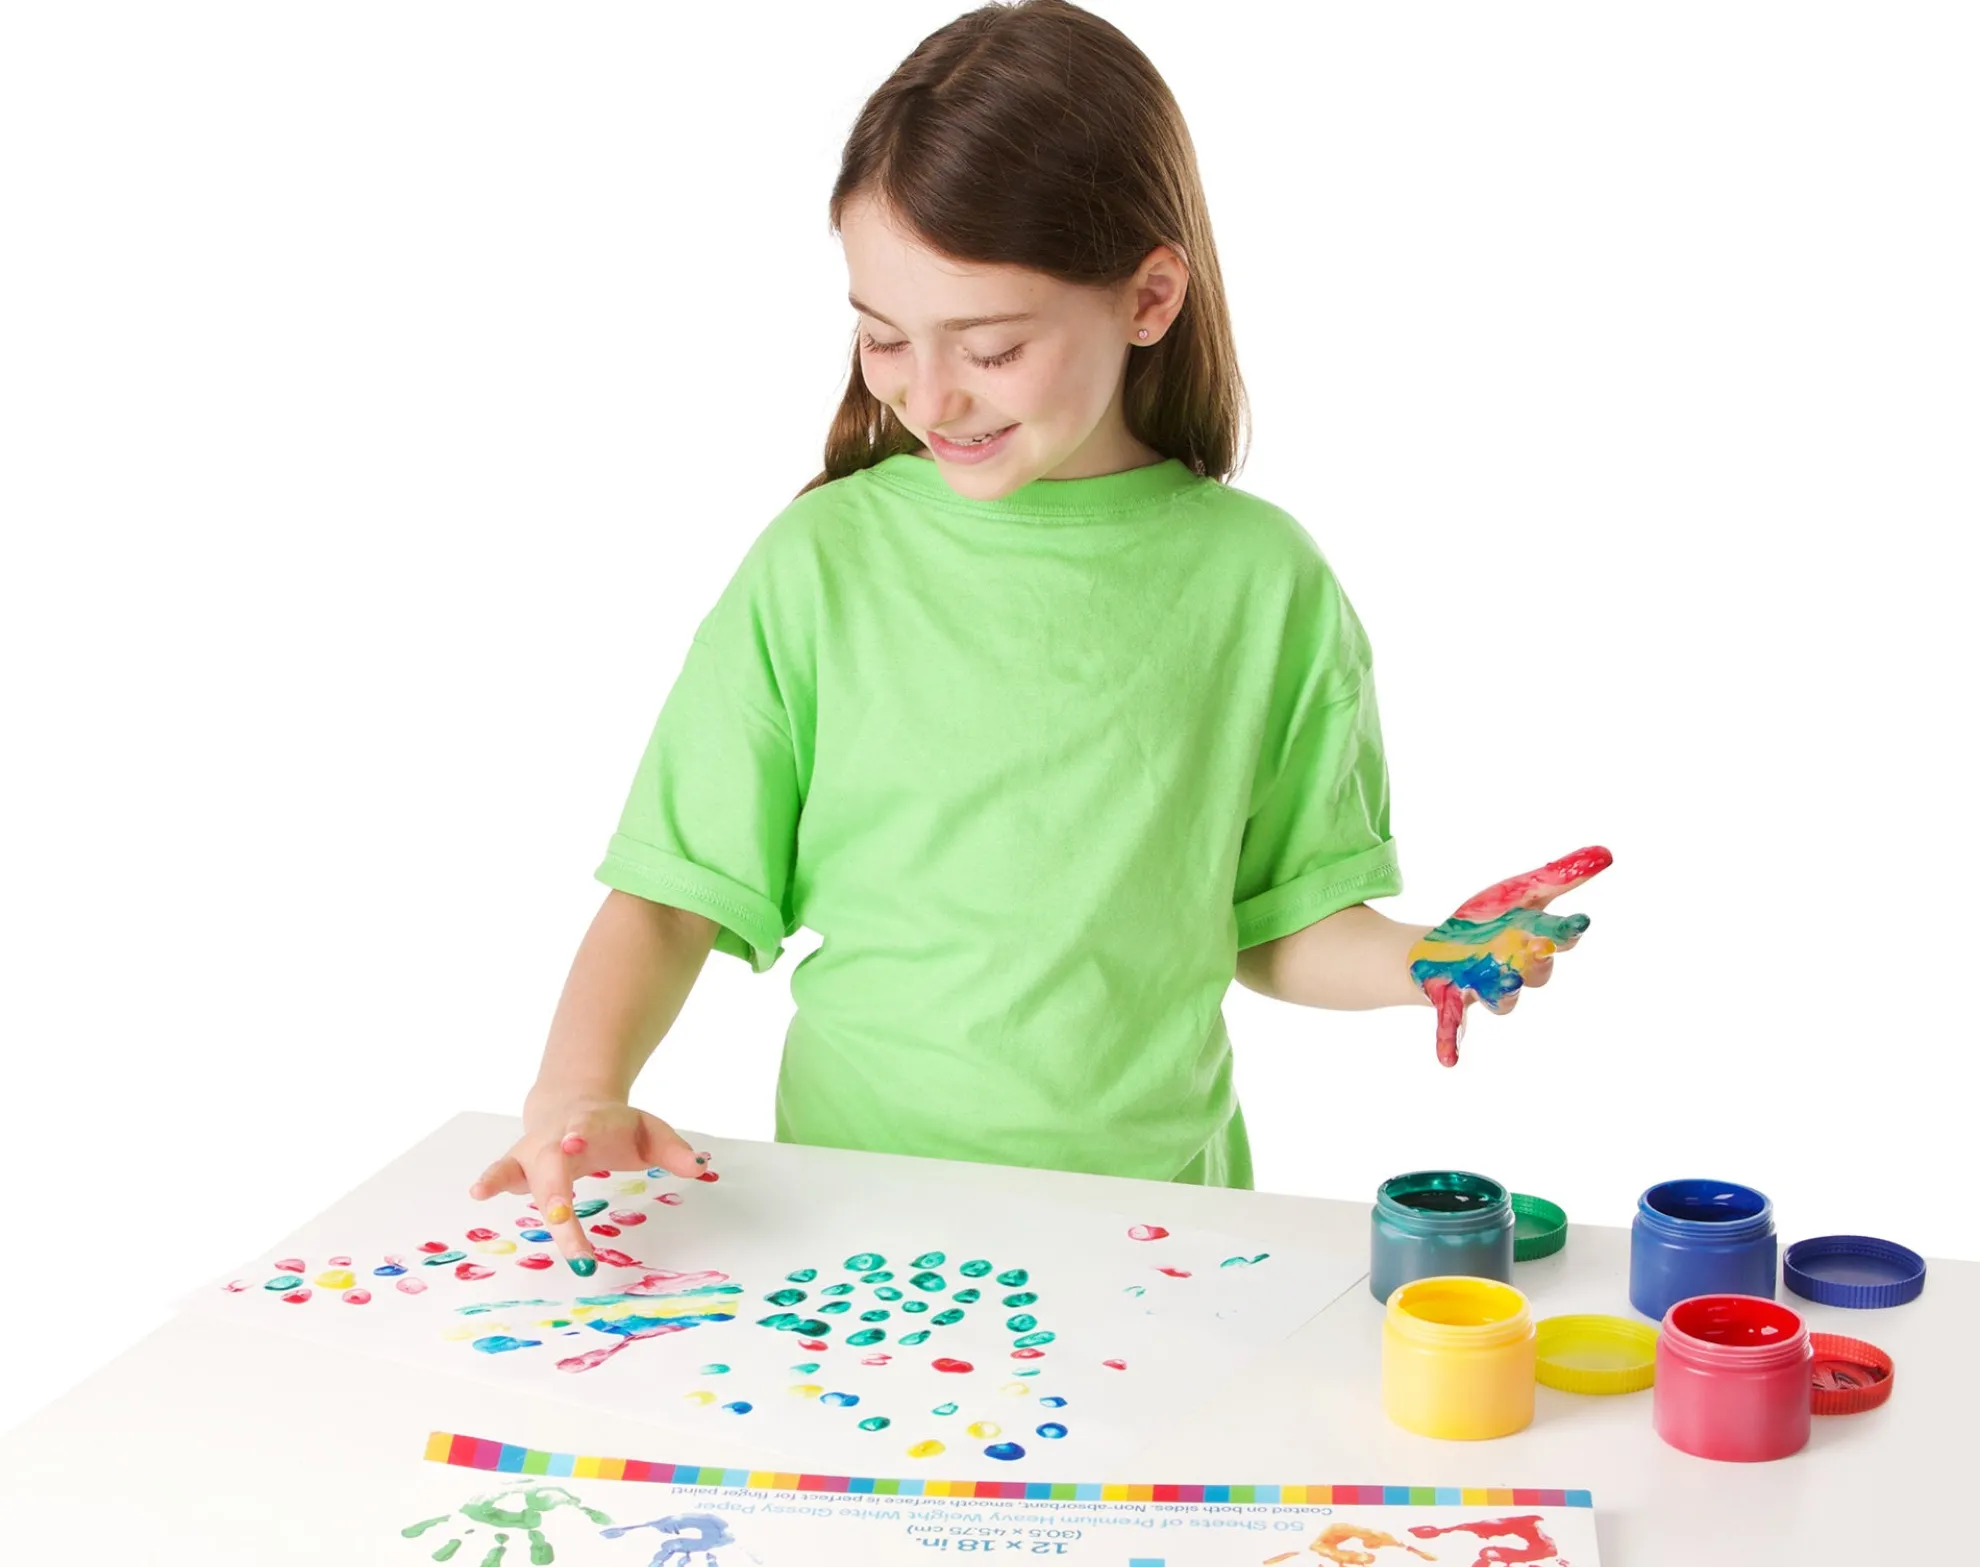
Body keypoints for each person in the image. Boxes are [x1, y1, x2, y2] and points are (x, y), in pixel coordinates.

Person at [471, 0, 1608, 1271]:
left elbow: (1280, 920)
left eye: (993, 346)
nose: (928, 394)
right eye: (882, 336)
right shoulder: (821, 563)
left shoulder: (1262, 581)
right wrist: (578, 1087)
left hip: (1161, 1243)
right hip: (857, 1235)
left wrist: (1433, 959)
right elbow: (672, 896)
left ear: (1150, 297)